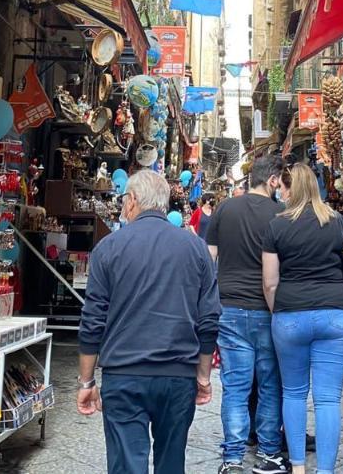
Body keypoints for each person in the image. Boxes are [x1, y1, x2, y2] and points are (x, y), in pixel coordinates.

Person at [77, 172, 221, 473]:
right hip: (178, 376)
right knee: (171, 463)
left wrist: (87, 381)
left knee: (127, 464)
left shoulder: (109, 248)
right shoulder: (195, 248)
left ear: (131, 202)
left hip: (124, 375)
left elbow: (93, 321)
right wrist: (203, 376)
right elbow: (209, 320)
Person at [262, 163, 343, 474]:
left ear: (290, 188)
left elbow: (270, 281)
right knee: (327, 400)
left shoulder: (277, 225)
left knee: (293, 393)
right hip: (336, 315)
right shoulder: (337, 221)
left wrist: (279, 311)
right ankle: (325, 471)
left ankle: (298, 466)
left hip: (290, 315)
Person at [205, 156, 287, 474]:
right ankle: (268, 453)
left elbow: (208, 258)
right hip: (268, 310)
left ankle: (233, 459)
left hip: (229, 309)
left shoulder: (225, 208)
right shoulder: (281, 214)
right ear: (273, 180)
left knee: (236, 387)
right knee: (269, 384)